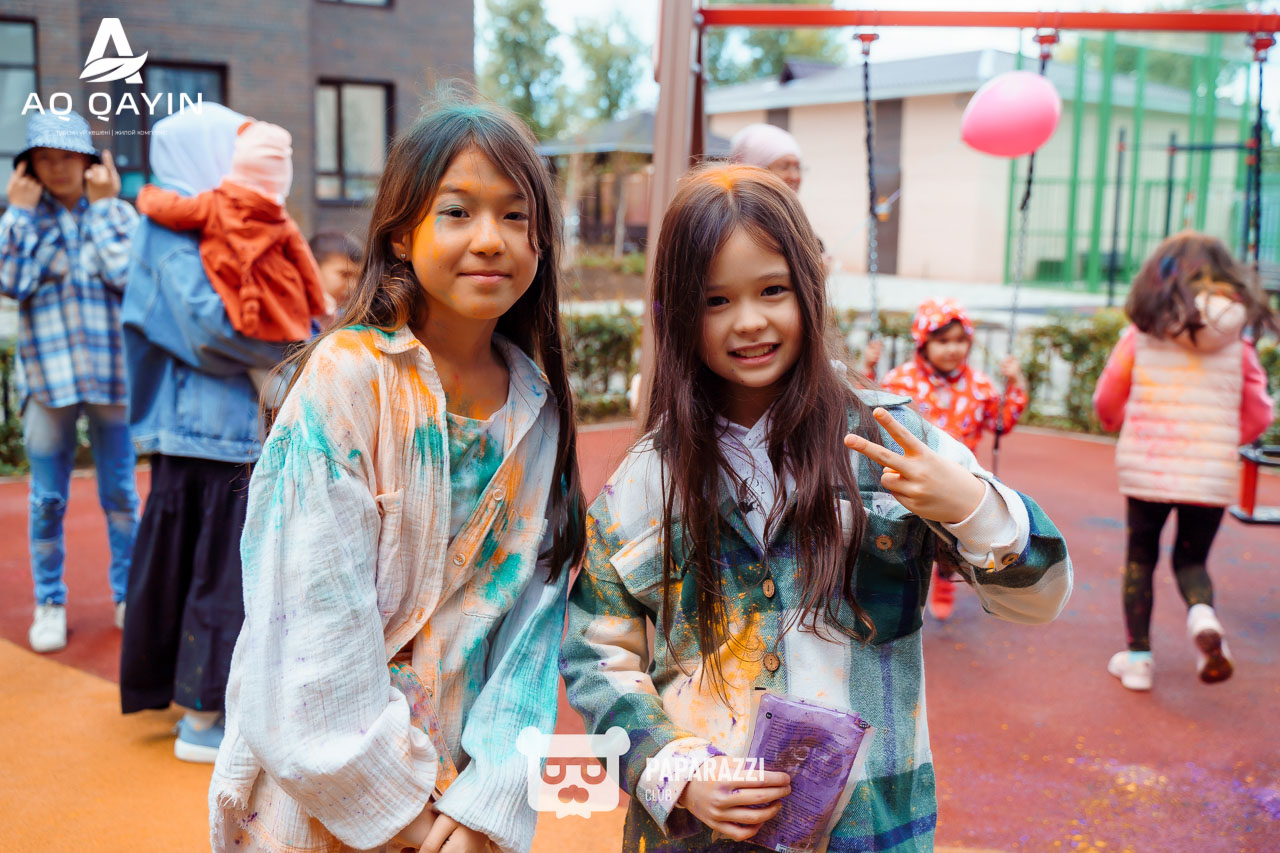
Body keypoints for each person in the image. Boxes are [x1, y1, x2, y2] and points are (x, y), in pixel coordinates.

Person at [559, 164, 1072, 853]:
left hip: (869, 829)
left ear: (810, 286)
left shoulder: (893, 442)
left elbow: (1040, 599)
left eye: (772, 289)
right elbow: (594, 651)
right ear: (678, 312)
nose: (749, 321)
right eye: (715, 300)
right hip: (699, 834)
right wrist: (676, 771)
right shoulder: (647, 478)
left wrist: (972, 506)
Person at [209, 98, 586, 853]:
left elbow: (530, 632)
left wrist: (487, 804)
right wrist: (405, 816)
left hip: (460, 804)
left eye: (516, 216)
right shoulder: (348, 382)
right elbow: (309, 625)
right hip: (327, 802)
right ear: (401, 235)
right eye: (458, 211)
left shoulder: (538, 409)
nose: (491, 238)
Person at [118, 103, 295, 761]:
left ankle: (197, 707)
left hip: (210, 430)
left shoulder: (209, 218)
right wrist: (292, 339)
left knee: (197, 567)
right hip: (206, 431)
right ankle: (203, 717)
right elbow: (209, 326)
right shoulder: (170, 226)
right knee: (220, 572)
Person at [1094, 231, 1274, 692]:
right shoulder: (1238, 344)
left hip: (1148, 468)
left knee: (1140, 558)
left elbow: (1109, 395)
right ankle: (1203, 617)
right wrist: (1224, 440)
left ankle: (1138, 660)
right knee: (1192, 561)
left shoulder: (1142, 335)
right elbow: (1259, 413)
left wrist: (1116, 422)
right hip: (1209, 472)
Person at [0, 110, 139, 653]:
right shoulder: (21, 219)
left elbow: (128, 275)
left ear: (87, 161)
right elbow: (10, 283)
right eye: (45, 158)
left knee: (121, 494)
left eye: (67, 156)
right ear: (29, 167)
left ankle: (129, 596)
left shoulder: (117, 213)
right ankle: (50, 602)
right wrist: (17, 213)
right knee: (47, 500)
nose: (57, 168)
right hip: (47, 377)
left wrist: (103, 208)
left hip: (112, 377)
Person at [878, 297, 1029, 619]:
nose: (953, 349)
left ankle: (945, 581)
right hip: (910, 473)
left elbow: (1000, 423)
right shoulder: (900, 380)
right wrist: (867, 367)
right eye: (943, 341)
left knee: (950, 540)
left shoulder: (980, 386)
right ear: (923, 344)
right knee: (906, 534)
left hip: (959, 477)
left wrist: (1016, 383)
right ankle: (900, 587)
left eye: (960, 341)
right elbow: (875, 415)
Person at [135, 120, 326, 344]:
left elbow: (168, 209)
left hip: (244, 311)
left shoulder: (212, 204)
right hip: (286, 311)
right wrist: (319, 305)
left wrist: (147, 194)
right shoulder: (282, 220)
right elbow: (306, 266)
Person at [309, 230, 363, 321]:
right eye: (345, 274)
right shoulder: (291, 315)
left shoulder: (347, 321)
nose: (353, 286)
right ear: (313, 268)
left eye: (358, 277)